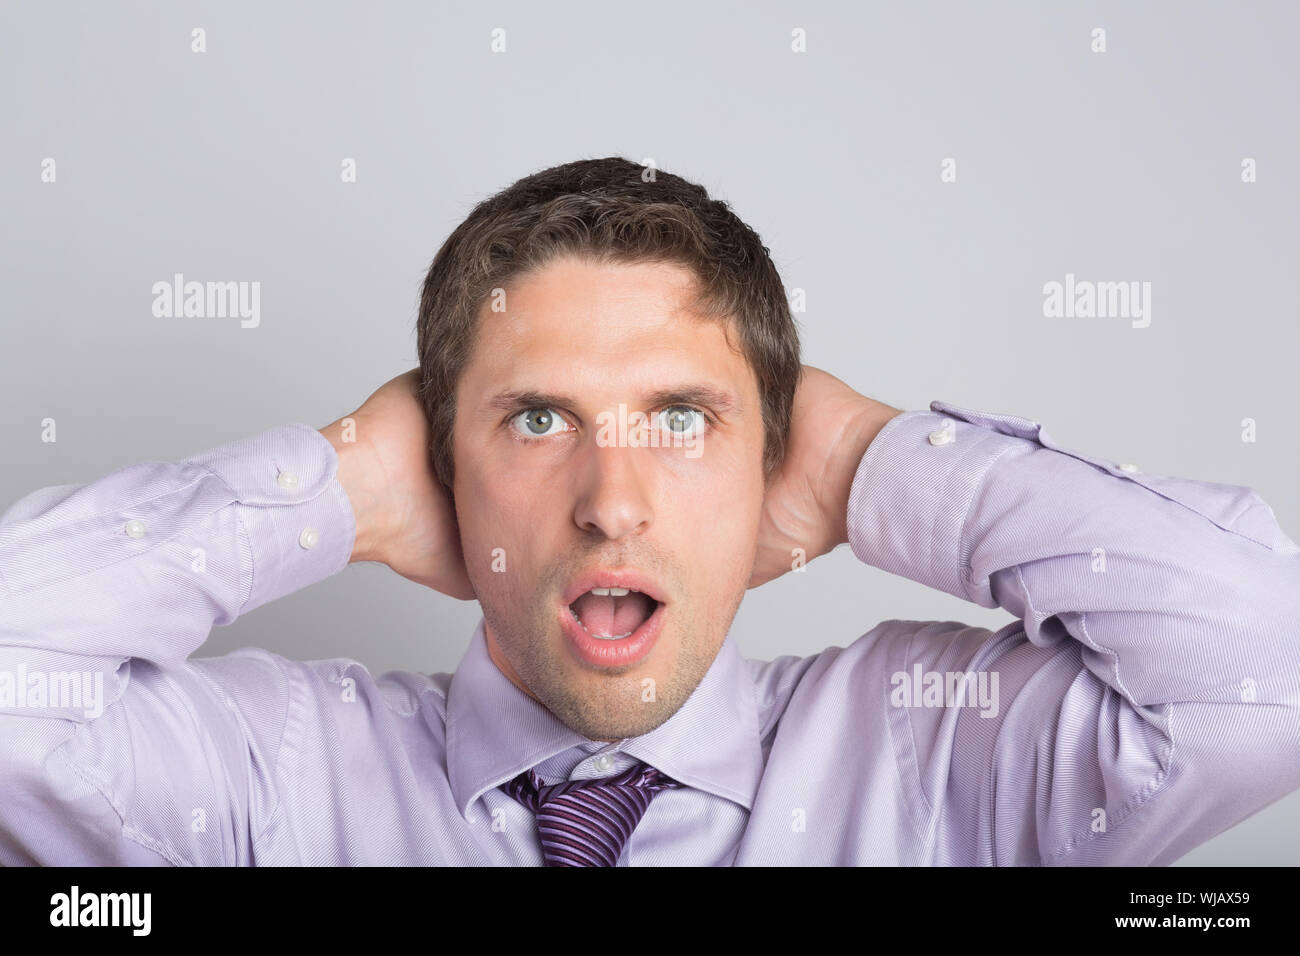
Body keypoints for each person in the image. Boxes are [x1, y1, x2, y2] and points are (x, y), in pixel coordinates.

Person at [2, 157, 1297, 866]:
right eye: (536, 418)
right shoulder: (266, 781)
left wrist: (868, 462)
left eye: (684, 419)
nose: (613, 504)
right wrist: (342, 486)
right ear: (443, 468)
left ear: (769, 462)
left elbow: (1268, 672)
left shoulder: (940, 762)